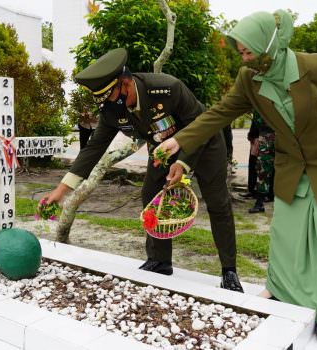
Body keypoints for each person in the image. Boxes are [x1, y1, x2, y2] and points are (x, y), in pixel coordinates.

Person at [155, 10, 317, 343]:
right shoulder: (249, 79)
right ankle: (278, 289)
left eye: (248, 50)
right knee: (286, 235)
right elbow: (220, 112)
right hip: (293, 165)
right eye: (241, 52)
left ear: (269, 43)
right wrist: (180, 140)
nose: (244, 57)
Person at [41, 48, 244, 293]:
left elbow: (198, 125)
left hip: (205, 142)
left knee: (218, 203)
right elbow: (93, 148)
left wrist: (183, 164)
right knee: (150, 194)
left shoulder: (168, 88)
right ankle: (160, 261)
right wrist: (61, 191)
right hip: (163, 149)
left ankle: (229, 271)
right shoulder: (112, 109)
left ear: (125, 83)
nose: (107, 103)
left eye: (110, 95)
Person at [248, 110, 275, 213]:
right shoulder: (260, 102)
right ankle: (260, 202)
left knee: (264, 171)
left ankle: (264, 200)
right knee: (262, 171)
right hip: (266, 138)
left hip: (273, 138)